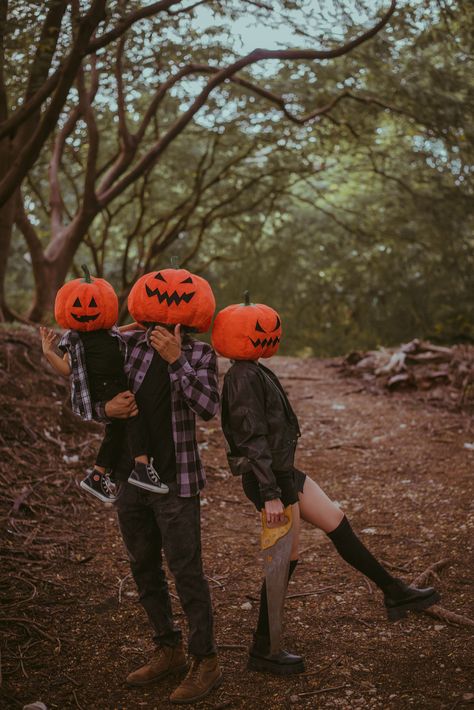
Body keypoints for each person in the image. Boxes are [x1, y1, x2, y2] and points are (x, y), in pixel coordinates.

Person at [212, 297, 441, 676]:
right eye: (257, 329)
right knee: (286, 556)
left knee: (335, 519)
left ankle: (394, 591)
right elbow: (251, 438)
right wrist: (270, 494)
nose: (267, 333)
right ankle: (264, 647)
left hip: (282, 472)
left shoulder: (253, 369)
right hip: (269, 478)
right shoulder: (242, 377)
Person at [100, 267, 222, 705]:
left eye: (179, 299)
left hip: (176, 481)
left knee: (186, 570)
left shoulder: (201, 354)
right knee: (143, 565)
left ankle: (205, 659)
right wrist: (105, 407)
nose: (168, 305)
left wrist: (177, 360)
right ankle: (166, 647)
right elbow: (85, 369)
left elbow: (208, 407)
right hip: (130, 477)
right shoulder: (127, 343)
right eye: (158, 296)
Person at [41, 266, 168, 503]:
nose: (87, 310)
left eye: (93, 304)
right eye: (79, 304)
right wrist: (49, 353)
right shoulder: (74, 338)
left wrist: (133, 327)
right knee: (134, 414)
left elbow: (114, 333)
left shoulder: (105, 331)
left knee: (117, 429)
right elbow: (67, 369)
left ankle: (97, 476)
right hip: (105, 386)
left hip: (115, 381)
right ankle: (141, 466)